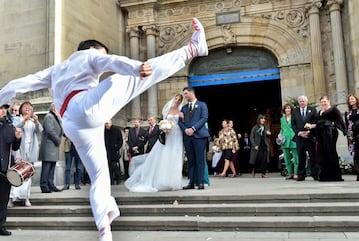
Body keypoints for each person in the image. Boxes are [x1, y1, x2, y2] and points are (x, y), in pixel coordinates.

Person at [0, 17, 208, 241]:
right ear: (92, 49)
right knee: (125, 80)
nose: (101, 57)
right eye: (101, 53)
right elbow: (112, 61)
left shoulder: (56, 69)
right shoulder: (89, 55)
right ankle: (193, 48)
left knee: (100, 176)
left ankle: (104, 229)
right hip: (85, 108)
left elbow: (18, 84)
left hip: (74, 123)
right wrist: (136, 67)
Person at [125, 93, 184, 192]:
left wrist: (182, 117)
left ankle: (174, 181)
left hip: (177, 134)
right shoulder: (167, 110)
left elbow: (183, 123)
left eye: (179, 100)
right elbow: (164, 121)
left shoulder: (182, 111)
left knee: (175, 156)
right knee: (165, 155)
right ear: (174, 99)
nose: (177, 101)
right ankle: (162, 180)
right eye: (176, 99)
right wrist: (165, 127)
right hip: (168, 135)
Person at [8, 101, 42, 207]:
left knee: (27, 175)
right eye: (25, 107)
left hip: (30, 149)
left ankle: (26, 198)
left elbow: (40, 131)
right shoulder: (18, 119)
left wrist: (36, 122)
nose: (27, 109)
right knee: (16, 173)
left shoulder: (33, 121)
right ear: (21, 109)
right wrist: (24, 120)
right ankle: (12, 198)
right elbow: (15, 127)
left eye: (29, 107)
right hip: (19, 150)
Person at [179, 87, 210, 190]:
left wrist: (193, 128)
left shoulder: (202, 105)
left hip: (199, 137)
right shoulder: (183, 108)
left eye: (186, 93)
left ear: (192, 93)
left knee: (200, 160)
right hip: (188, 137)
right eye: (184, 94)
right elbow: (180, 122)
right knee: (191, 161)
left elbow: (204, 118)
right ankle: (191, 182)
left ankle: (200, 182)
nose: (185, 96)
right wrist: (185, 130)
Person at [312, 96, 346, 181]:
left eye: (325, 101)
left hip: (330, 133)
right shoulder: (319, 111)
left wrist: (345, 131)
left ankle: (335, 175)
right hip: (320, 134)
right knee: (322, 153)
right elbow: (316, 122)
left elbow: (340, 120)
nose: (323, 103)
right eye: (322, 102)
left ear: (329, 101)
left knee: (330, 151)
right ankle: (324, 175)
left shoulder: (333, 109)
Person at [0, 104, 22, 236]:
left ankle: (1, 225)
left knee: (3, 199)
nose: (3, 111)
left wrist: (18, 138)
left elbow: (13, 147)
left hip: (4, 168)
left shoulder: (9, 125)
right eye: (0, 108)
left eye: (4, 108)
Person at [291, 95, 318, 182]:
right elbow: (293, 124)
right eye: (300, 101)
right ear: (299, 103)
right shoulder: (295, 112)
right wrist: (299, 133)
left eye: (303, 101)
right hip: (300, 138)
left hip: (310, 137)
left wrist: (309, 132)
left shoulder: (313, 110)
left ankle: (315, 174)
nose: (302, 103)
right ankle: (301, 175)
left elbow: (315, 122)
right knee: (301, 157)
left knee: (313, 157)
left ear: (306, 102)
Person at [39, 103, 63, 193]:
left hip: (53, 146)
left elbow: (61, 128)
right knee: (46, 167)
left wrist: (60, 118)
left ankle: (51, 184)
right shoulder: (49, 117)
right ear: (54, 109)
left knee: (52, 166)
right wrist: (58, 140)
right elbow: (50, 131)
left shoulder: (56, 117)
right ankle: (44, 186)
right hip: (49, 145)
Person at [279, 104, 299, 180]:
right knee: (287, 158)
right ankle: (290, 173)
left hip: (293, 139)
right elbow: (282, 129)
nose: (287, 110)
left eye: (289, 108)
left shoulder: (294, 117)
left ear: (291, 109)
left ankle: (296, 173)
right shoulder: (282, 119)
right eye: (286, 108)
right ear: (284, 110)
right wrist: (280, 135)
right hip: (284, 140)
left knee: (296, 157)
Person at [345, 93, 359, 181]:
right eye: (350, 99)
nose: (351, 101)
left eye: (352, 99)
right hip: (352, 136)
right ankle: (358, 174)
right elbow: (347, 124)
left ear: (357, 100)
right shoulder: (348, 113)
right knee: (355, 155)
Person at [105, 119, 123, 185]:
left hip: (114, 152)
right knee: (108, 167)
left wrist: (117, 147)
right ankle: (111, 180)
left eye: (107, 123)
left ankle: (118, 178)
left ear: (111, 123)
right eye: (105, 123)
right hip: (106, 152)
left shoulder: (116, 131)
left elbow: (120, 141)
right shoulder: (104, 131)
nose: (106, 125)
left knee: (115, 166)